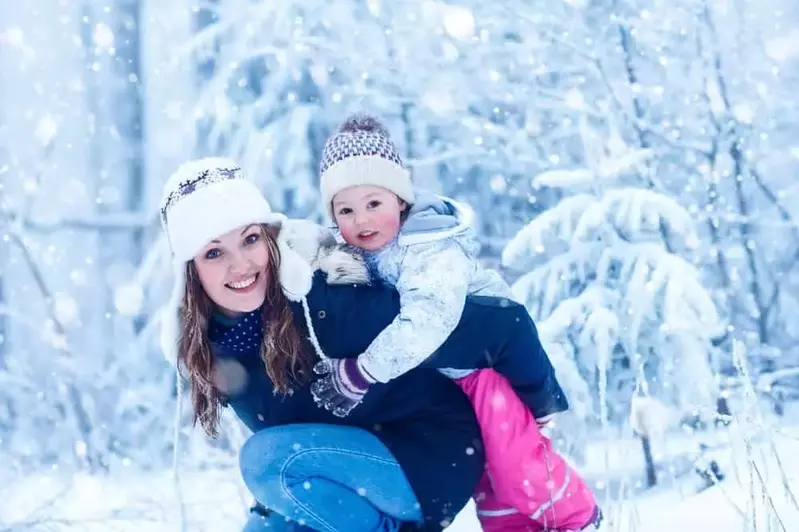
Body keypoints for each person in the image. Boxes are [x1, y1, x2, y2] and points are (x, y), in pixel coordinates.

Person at [158, 157, 485, 531]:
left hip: (425, 453)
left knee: (265, 462)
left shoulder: (322, 299)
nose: (241, 265)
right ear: (191, 272)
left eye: (250, 239)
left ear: (269, 239)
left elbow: (473, 324)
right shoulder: (214, 347)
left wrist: (538, 392)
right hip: (339, 468)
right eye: (214, 252)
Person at [309, 114, 602, 531]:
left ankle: (578, 518)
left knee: (516, 463)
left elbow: (431, 319)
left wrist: (364, 370)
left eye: (374, 203)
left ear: (401, 200)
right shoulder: (356, 255)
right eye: (346, 210)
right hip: (444, 379)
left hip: (485, 371)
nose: (362, 220)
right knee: (487, 475)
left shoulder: (429, 247)